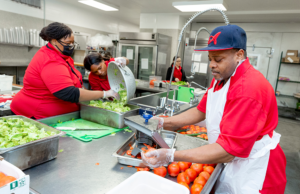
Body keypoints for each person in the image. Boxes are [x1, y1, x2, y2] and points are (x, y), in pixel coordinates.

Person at [142, 25, 286, 194]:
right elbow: (200, 111)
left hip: (256, 171)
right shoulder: (222, 78)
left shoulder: (248, 89)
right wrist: (162, 122)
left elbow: (227, 151)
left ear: (239, 55)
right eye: (210, 58)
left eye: (218, 59)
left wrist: (171, 155)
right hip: (234, 158)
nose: (212, 65)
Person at [10, 22, 120, 119]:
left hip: (58, 115)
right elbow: (68, 93)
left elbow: (72, 79)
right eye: (68, 43)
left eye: (72, 43)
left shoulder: (63, 56)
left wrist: (85, 91)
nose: (71, 46)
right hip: (36, 115)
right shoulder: (50, 60)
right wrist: (104, 93)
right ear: (54, 41)